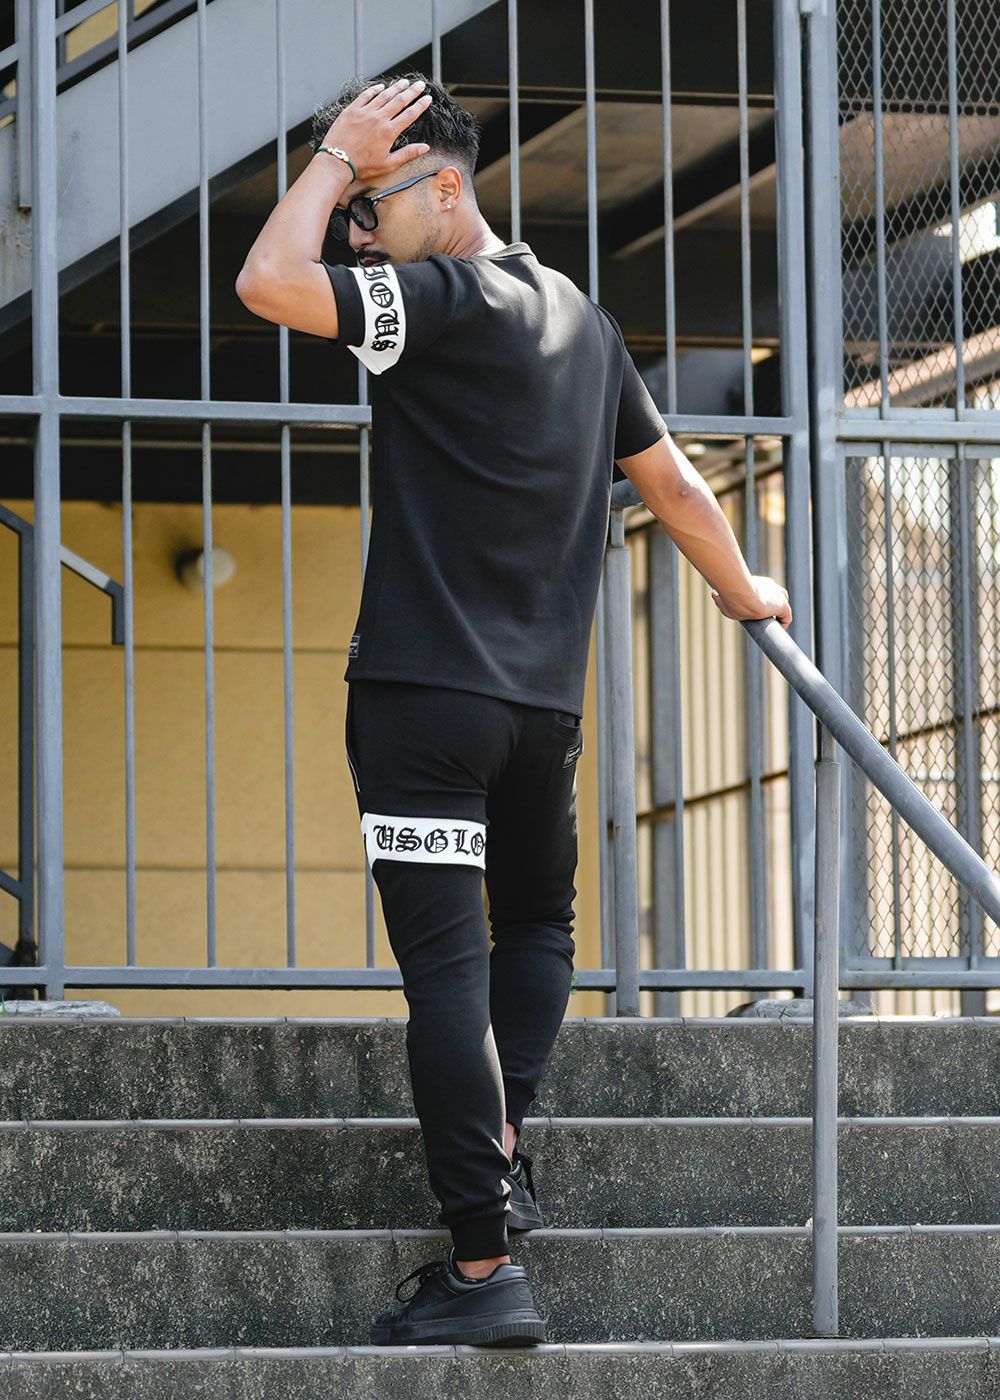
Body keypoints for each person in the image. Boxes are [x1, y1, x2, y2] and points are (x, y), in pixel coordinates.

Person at [235, 71, 792, 1348]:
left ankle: (483, 1266)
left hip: (422, 701)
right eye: (348, 211)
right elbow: (672, 485)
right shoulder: (583, 321)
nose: (353, 232)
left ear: (444, 189)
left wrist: (330, 156)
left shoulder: (436, 300)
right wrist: (744, 590)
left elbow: (268, 281)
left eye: (370, 206)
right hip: (540, 713)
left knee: (446, 969)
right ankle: (499, 1143)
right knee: (537, 927)